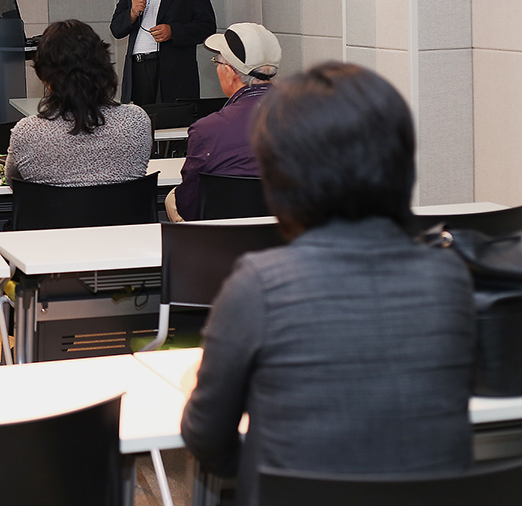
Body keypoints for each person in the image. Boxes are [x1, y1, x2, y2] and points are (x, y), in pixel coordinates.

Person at [180, 63, 475, 506]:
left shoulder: (259, 286)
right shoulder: (449, 276)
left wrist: (263, 470)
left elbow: (206, 437)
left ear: (281, 175)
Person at [5, 20, 151, 185]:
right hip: (122, 203)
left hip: (53, 204)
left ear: (44, 77)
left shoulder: (27, 132)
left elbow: (13, 181)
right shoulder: (136, 121)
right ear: (104, 65)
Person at [166, 22, 281, 222]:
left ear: (229, 72)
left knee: (172, 198)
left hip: (224, 236)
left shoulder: (207, 129)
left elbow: (189, 207)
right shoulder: (313, 117)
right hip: (295, 231)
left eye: (217, 63)